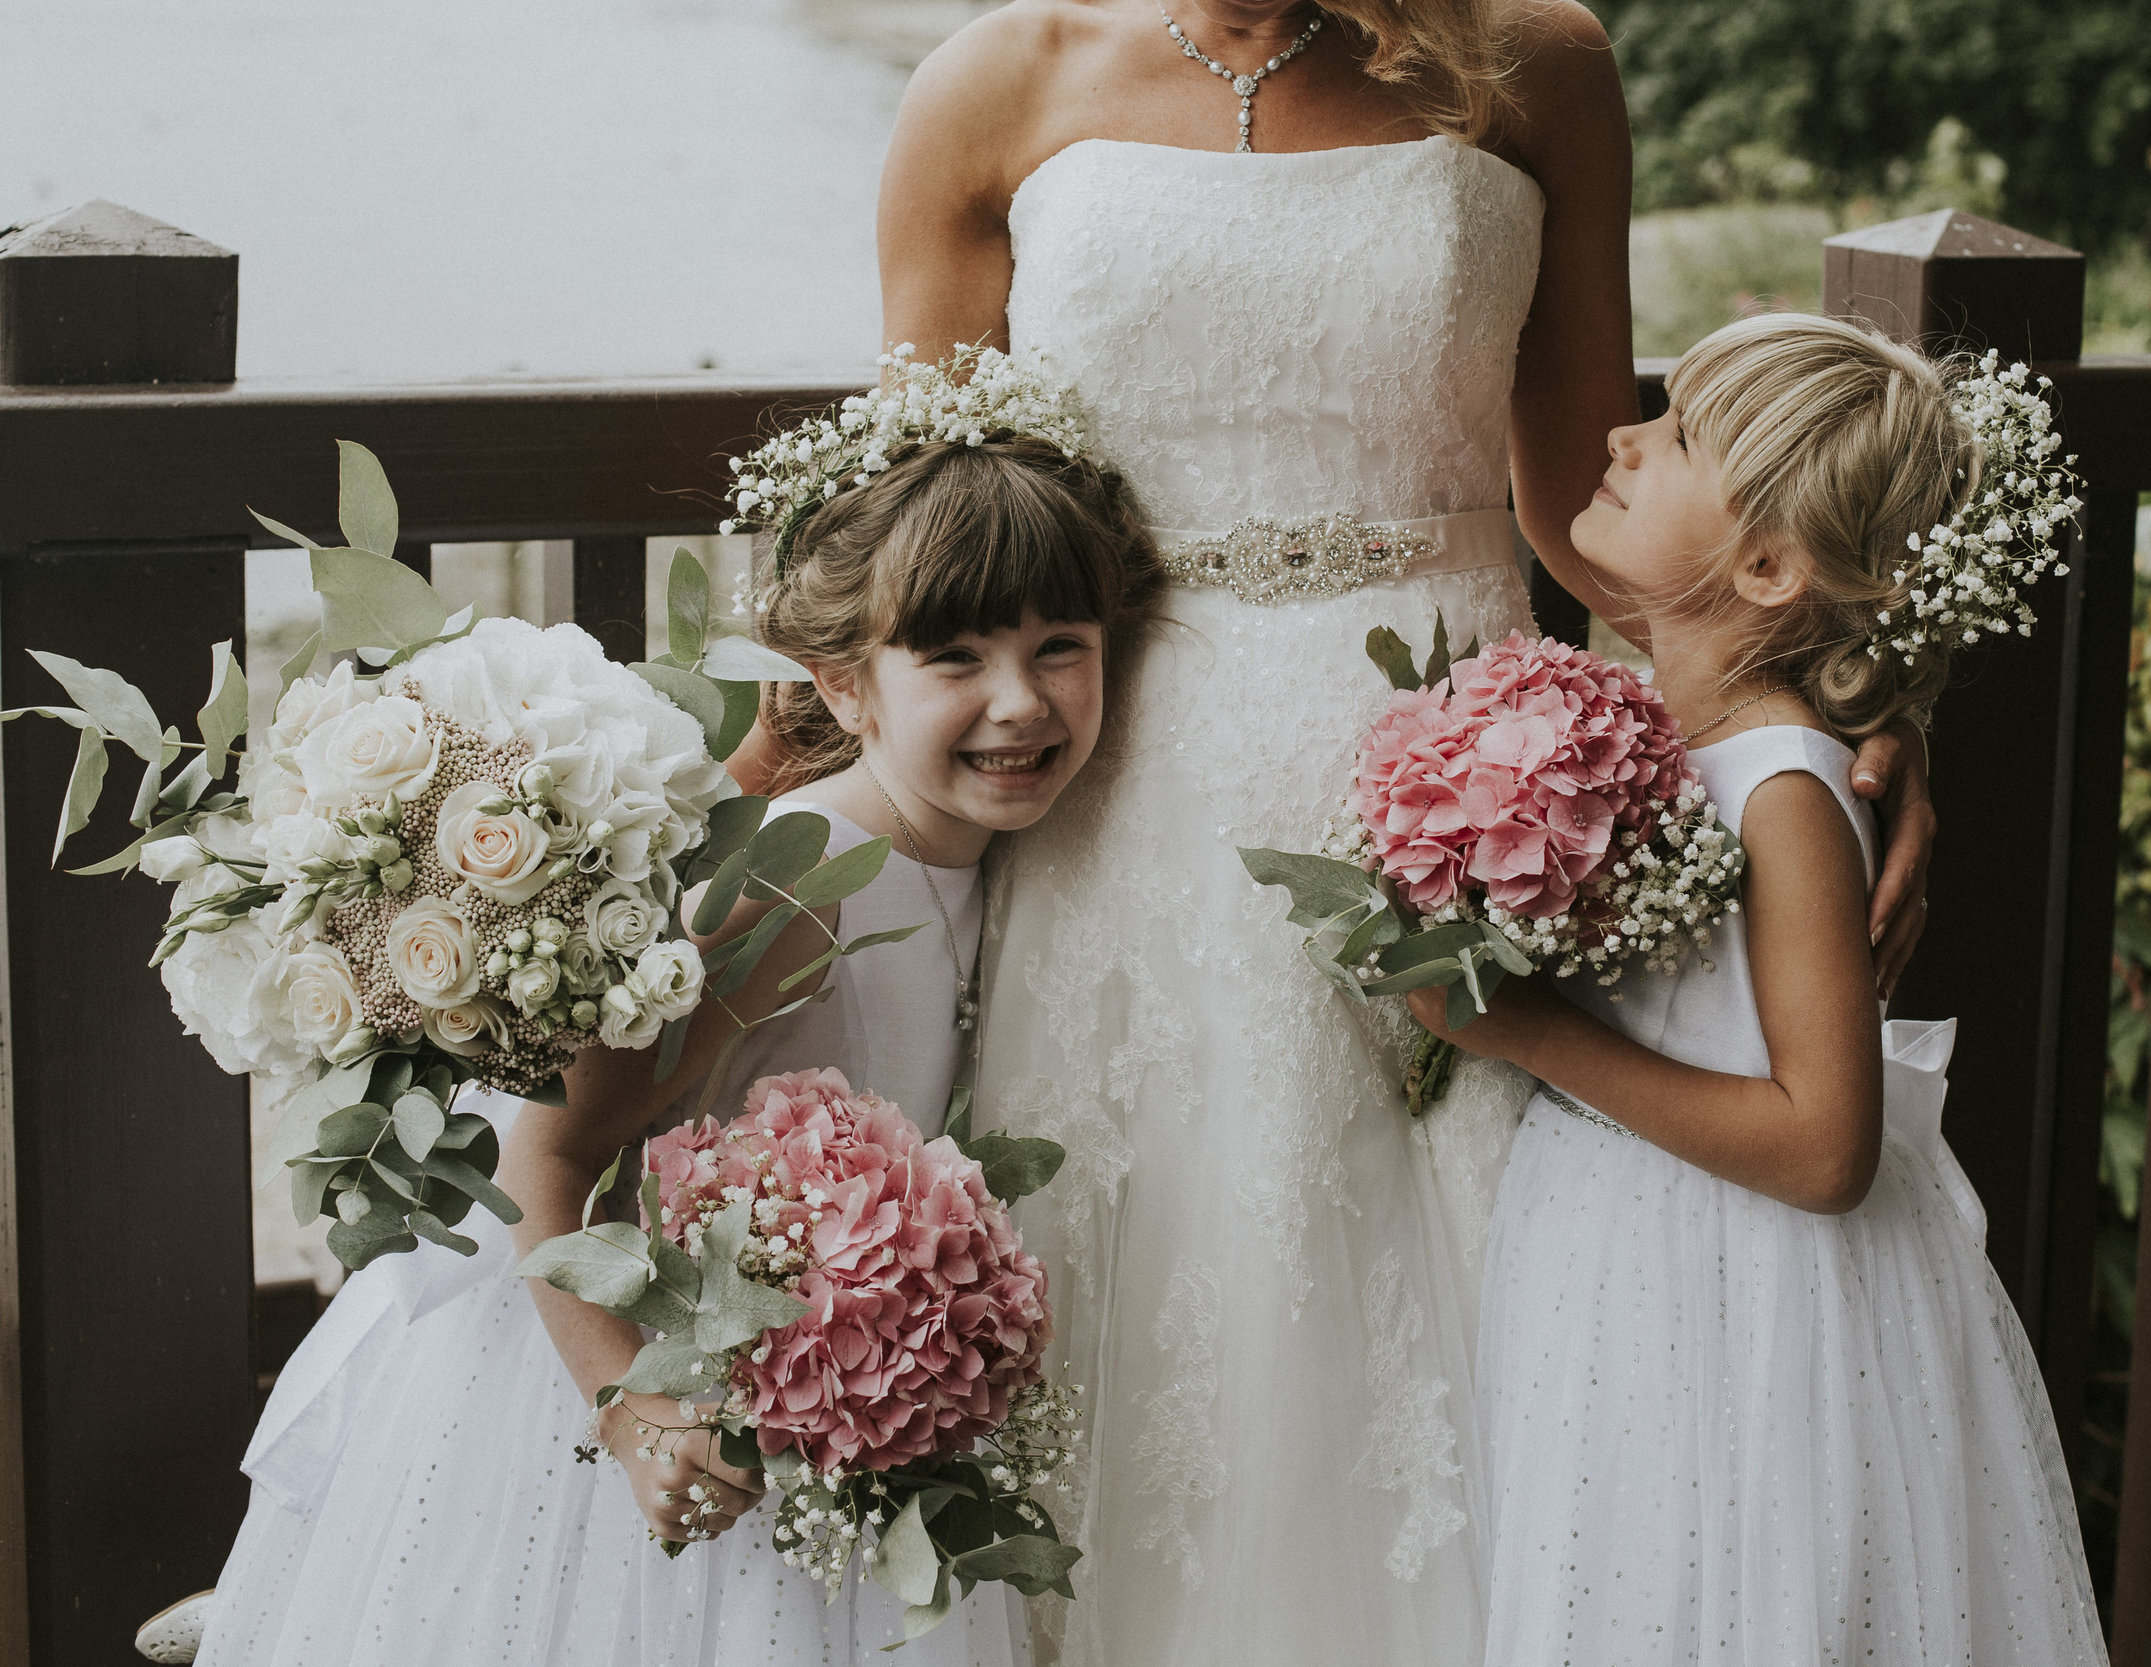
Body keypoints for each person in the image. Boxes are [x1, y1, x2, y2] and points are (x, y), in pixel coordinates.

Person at [784, 4, 1939, 1664]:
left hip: (1485, 809)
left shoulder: (1538, 61)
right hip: (1126, 806)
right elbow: (930, 552)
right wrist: (746, 795)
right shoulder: (991, 85)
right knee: (1148, 1315)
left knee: (1468, 1315)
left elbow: (1590, 509)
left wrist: (1837, 714)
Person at [191, 431, 1162, 1667]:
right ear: (848, 685)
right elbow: (543, 1164)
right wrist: (632, 1413)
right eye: (956, 656)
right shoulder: (795, 885)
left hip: (806, 1400)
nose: (1019, 700)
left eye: (1057, 649)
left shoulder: (999, 866)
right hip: (618, 1387)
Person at [1415, 313, 2107, 1665]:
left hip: (1736, 1293)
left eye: (1675, 437)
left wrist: (1532, 1032)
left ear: (1773, 563)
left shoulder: (1784, 790)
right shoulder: (1636, 731)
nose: (1621, 436)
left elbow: (1826, 1142)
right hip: (1616, 1258)